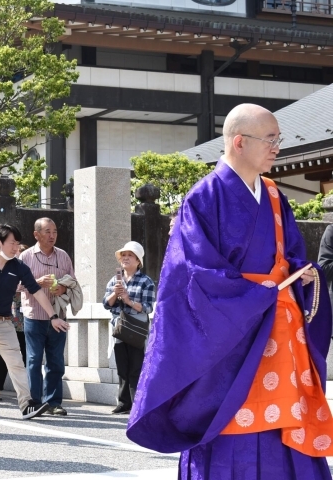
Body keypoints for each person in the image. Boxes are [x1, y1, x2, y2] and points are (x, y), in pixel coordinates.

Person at [127, 104, 333, 479]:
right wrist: (255, 297)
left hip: (278, 331)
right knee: (231, 420)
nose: (277, 148)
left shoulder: (273, 194)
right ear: (239, 142)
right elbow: (193, 275)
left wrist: (303, 274)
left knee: (283, 420)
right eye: (270, 139)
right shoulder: (204, 197)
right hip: (232, 339)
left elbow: (292, 256)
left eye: (278, 139)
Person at [0, 224, 65, 419]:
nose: (16, 247)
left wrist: (53, 316)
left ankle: (27, 405)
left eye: (18, 243)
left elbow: (36, 291)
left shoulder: (19, 267)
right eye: (12, 243)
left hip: (5, 323)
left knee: (17, 364)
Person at [19, 218, 78, 416]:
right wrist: (36, 282)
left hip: (59, 315)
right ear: (36, 234)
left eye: (54, 231)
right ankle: (34, 402)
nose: (52, 235)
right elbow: (16, 285)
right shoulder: (25, 257)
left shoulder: (63, 256)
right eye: (47, 231)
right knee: (34, 360)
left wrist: (62, 287)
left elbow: (73, 283)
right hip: (34, 316)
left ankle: (53, 402)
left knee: (56, 361)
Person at [103, 241, 155, 415]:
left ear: (138, 260)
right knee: (122, 367)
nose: (125, 258)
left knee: (136, 367)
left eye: (130, 255)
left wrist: (128, 300)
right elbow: (106, 304)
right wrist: (114, 294)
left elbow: (148, 307)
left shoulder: (145, 281)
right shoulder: (114, 280)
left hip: (136, 328)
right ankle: (123, 402)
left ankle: (136, 403)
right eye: (123, 255)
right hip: (119, 327)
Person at [0, 243, 28, 402]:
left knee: (25, 354)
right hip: (10, 316)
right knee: (6, 355)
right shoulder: (7, 267)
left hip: (27, 316)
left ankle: (25, 392)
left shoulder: (24, 269)